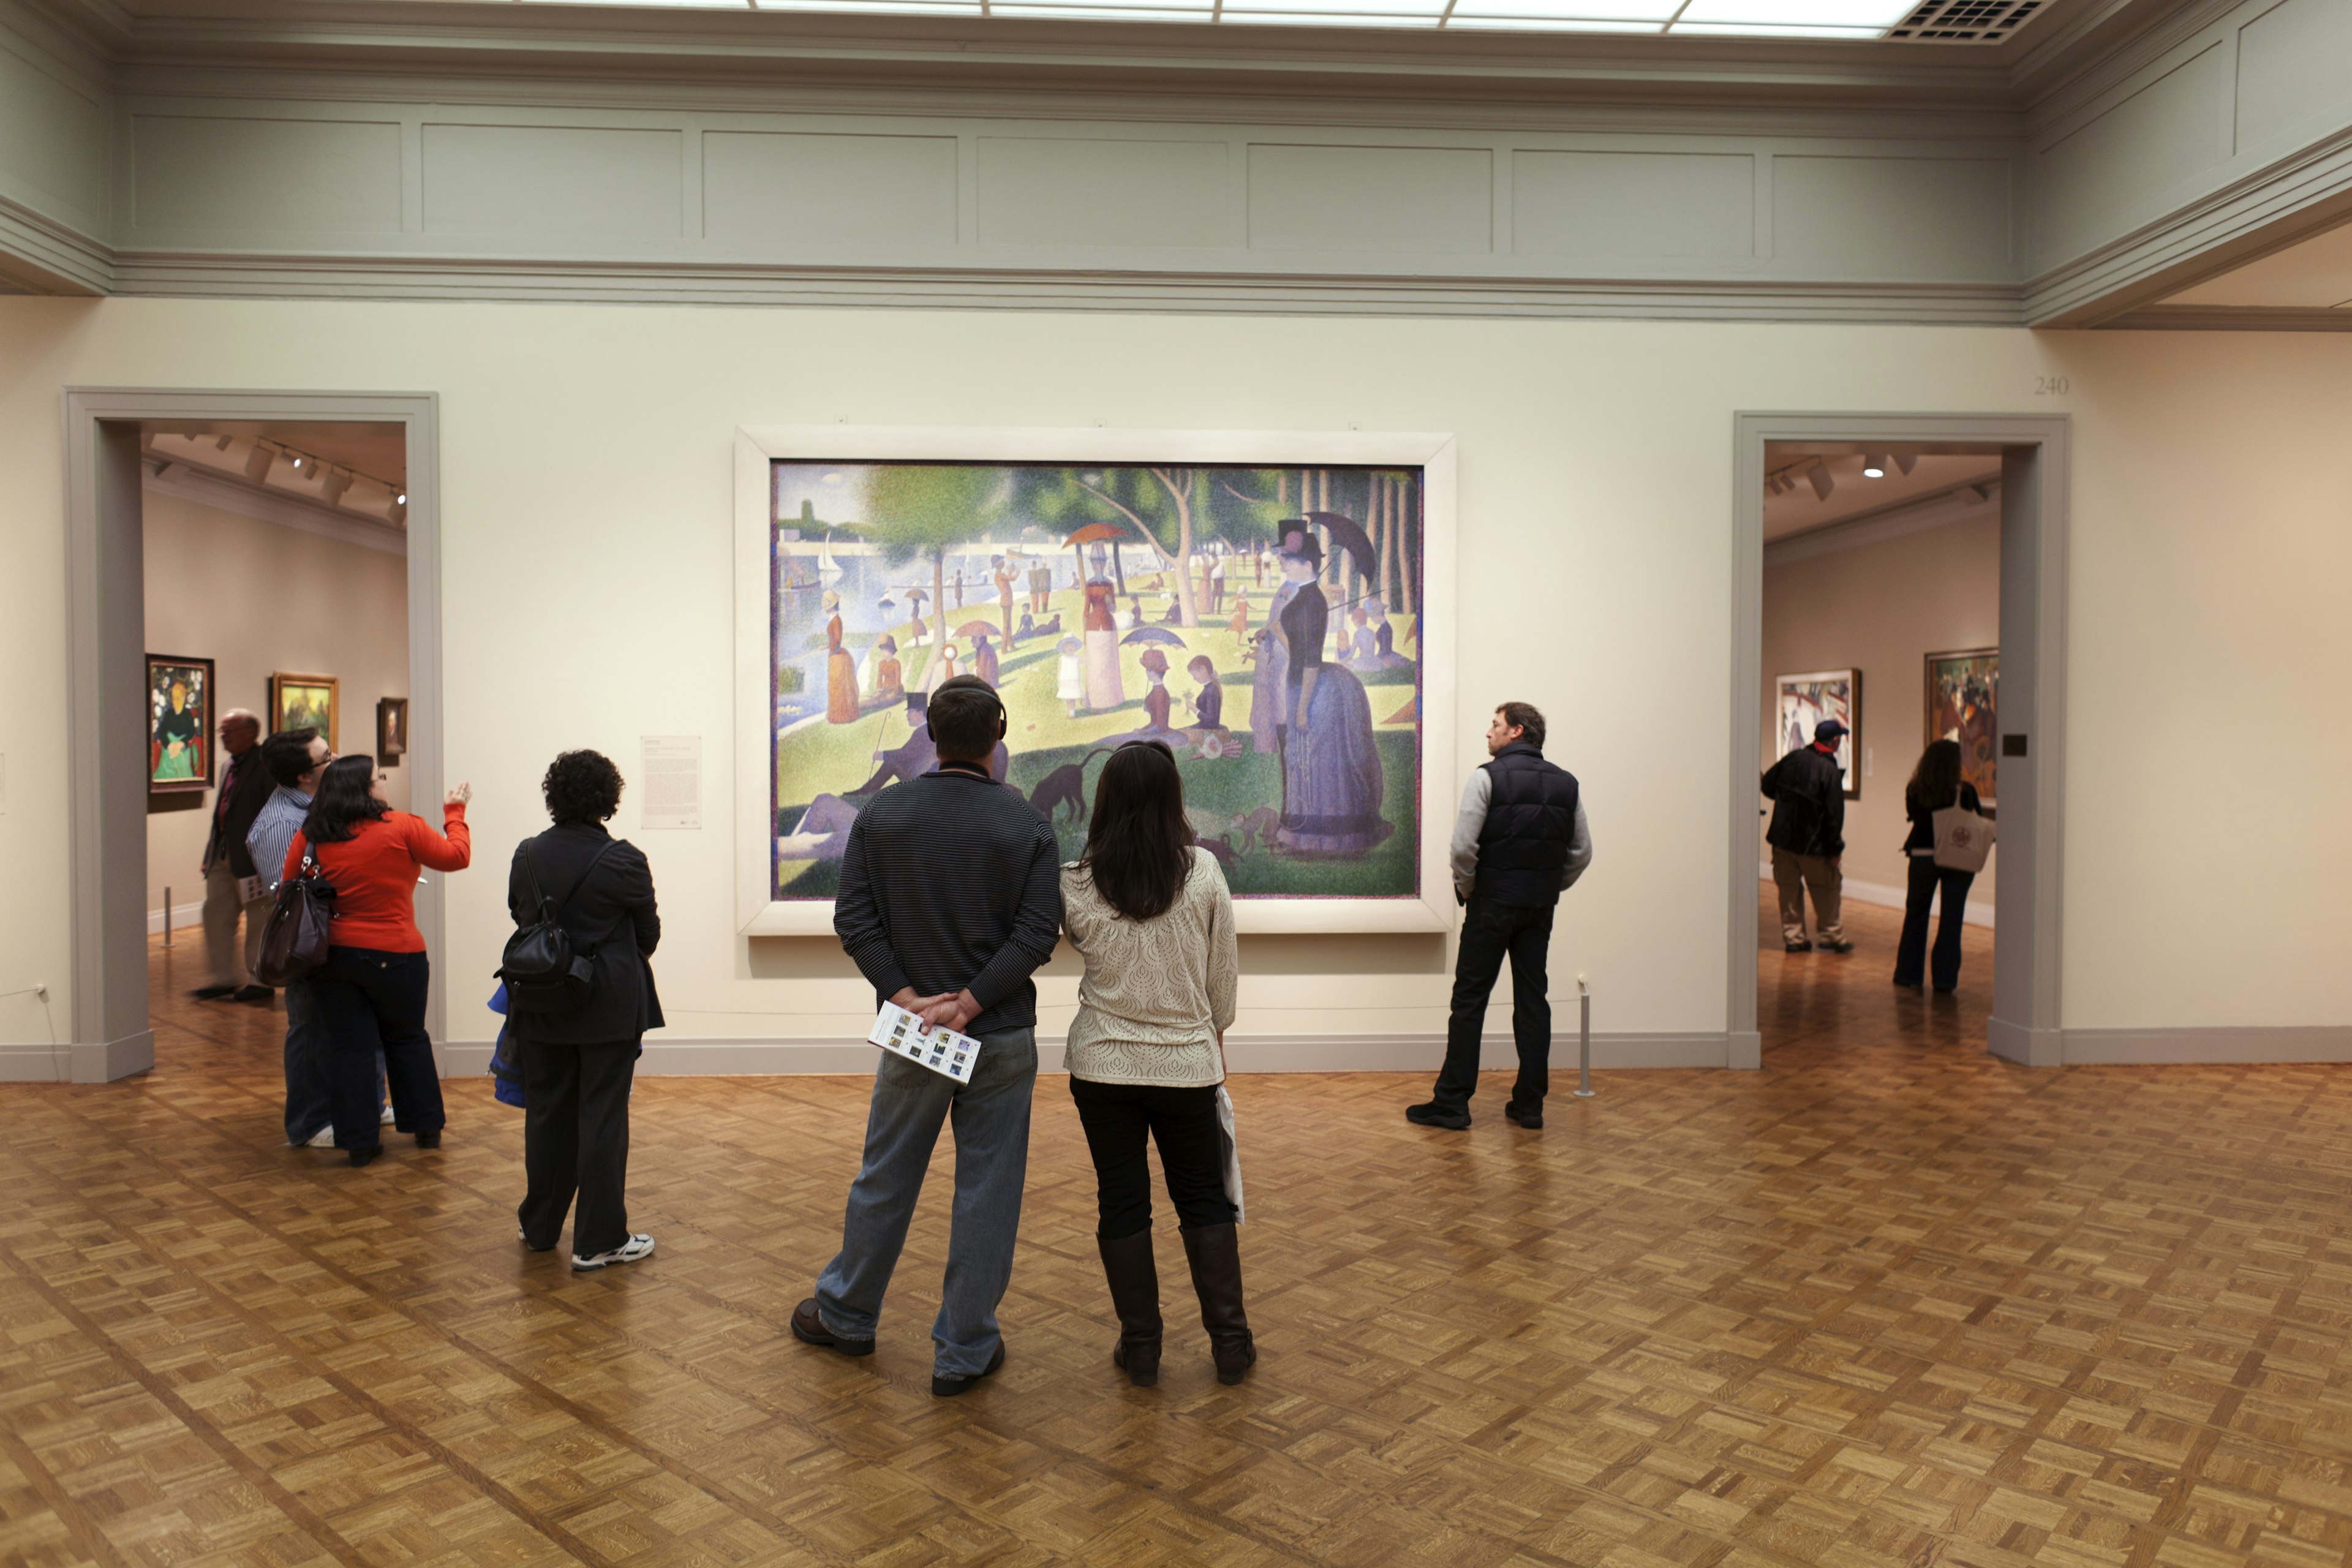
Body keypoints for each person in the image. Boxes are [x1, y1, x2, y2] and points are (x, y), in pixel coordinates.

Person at [794, 677, 1063, 1397]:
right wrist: (970, 1003)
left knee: (885, 1175)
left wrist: (908, 998)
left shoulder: (883, 814)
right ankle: (964, 1349)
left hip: (914, 1031)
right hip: (1000, 1032)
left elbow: (854, 920)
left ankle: (847, 1314)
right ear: (997, 737)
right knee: (988, 1192)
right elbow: (1036, 935)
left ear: (932, 737)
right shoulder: (1027, 823)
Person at [1060, 742, 1251, 1387]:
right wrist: (1214, 1036)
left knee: (1121, 1201)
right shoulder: (1204, 871)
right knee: (1202, 1198)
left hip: (1101, 1064)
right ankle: (1230, 1344)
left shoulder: (1075, 880)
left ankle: (1141, 1347)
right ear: (1173, 799)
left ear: (1104, 800)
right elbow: (1222, 977)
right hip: (1186, 1066)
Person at [510, 750, 664, 1271]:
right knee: (602, 1118)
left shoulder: (527, 854)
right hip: (608, 1006)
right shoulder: (625, 859)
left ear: (553, 796)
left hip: (541, 1002)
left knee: (546, 1114)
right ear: (609, 797)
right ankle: (598, 1240)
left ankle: (539, 1227)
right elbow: (648, 936)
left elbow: (521, 916)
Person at [1408, 702, 1591, 1131]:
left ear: (1517, 731)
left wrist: (1469, 887)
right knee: (1533, 1002)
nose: (1489, 732)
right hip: (1537, 910)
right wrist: (1547, 887)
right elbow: (1582, 853)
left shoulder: (1486, 777)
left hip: (1490, 906)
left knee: (1470, 1001)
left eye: (1496, 725)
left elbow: (1462, 848)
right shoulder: (1567, 784)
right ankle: (1530, 1106)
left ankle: (1452, 1103)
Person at [282, 757, 472, 1166]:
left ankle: (359, 1143)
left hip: (335, 958)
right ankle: (425, 1128)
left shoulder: (312, 836)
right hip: (399, 953)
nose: (384, 782)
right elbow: (457, 856)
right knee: (407, 1038)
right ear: (366, 790)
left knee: (350, 1047)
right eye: (378, 777)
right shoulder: (403, 826)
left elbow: (288, 887)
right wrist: (455, 813)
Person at [247, 725, 385, 1149]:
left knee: (358, 1025)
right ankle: (310, 1123)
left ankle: (369, 1103)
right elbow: (290, 897)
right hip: (310, 943)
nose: (336, 760)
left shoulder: (323, 807)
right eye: (327, 757)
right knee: (311, 1030)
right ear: (304, 776)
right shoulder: (280, 825)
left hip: (345, 935)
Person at [1270, 524, 1389, 856]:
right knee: (1303, 760)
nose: (1282, 563)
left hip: (1314, 689)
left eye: (1288, 559)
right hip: (1302, 683)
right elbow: (1298, 651)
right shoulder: (1304, 597)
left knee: (1313, 761)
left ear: (1307, 565)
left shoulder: (1312, 602)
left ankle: (1321, 839)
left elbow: (1310, 659)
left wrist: (1302, 708)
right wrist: (1279, 632)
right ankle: (1305, 837)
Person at [194, 708, 277, 1004]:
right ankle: (223, 978)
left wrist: (269, 857)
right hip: (222, 854)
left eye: (230, 730)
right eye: (222, 731)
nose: (223, 736)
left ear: (251, 733)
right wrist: (210, 853)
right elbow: (222, 813)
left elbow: (275, 813)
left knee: (259, 919)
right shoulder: (227, 766)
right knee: (215, 913)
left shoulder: (267, 764)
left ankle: (259, 981)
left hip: (255, 857)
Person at [1893, 739, 1983, 995]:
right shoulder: (1965, 792)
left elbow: (1915, 817)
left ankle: (1908, 974)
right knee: (1952, 919)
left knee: (1916, 915)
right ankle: (1945, 980)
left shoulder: (1915, 790)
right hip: (1958, 858)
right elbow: (1976, 821)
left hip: (1923, 855)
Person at [1761, 718, 1852, 954]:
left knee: (1788, 891)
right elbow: (1834, 816)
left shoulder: (1793, 758)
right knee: (1826, 890)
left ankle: (1794, 938)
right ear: (1835, 741)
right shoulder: (1829, 771)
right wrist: (1835, 850)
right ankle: (1831, 935)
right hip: (1814, 845)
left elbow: (1767, 784)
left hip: (1782, 841)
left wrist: (1787, 801)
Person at [1082, 576, 1123, 711]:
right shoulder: (1090, 585)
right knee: (1095, 665)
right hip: (1093, 626)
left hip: (1108, 625)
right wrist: (1084, 633)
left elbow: (1113, 608)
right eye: (1095, 564)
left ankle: (1111, 700)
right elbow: (1086, 611)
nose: (1098, 566)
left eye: (1100, 564)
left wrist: (1109, 601)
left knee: (1109, 663)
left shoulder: (1109, 585)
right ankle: (1094, 700)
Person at [823, 590, 858, 723]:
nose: (824, 606)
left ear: (832, 605)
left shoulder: (836, 620)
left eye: (826, 603)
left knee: (839, 687)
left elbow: (837, 641)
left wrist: (831, 650)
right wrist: (827, 647)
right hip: (834, 655)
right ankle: (836, 714)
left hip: (837, 657)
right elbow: (834, 641)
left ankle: (842, 715)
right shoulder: (833, 619)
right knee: (834, 687)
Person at [1057, 635, 1085, 719]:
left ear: (1075, 647)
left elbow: (1086, 660)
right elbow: (1059, 671)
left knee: (1072, 698)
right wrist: (1059, 681)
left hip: (1074, 680)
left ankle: (1072, 714)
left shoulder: (1077, 658)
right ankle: (1070, 712)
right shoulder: (1062, 659)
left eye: (1072, 646)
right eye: (1067, 646)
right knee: (1068, 698)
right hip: (1065, 681)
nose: (1070, 648)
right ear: (1064, 648)